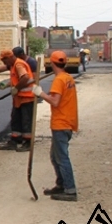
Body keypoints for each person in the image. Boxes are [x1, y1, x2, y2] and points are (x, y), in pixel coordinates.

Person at [32, 51, 78, 202]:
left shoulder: (59, 80)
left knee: (61, 157)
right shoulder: (68, 78)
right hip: (68, 121)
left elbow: (55, 101)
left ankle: (70, 190)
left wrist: (41, 93)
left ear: (52, 64)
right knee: (55, 156)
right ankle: (61, 184)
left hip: (61, 122)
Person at [0, 49, 36, 152]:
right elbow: (17, 79)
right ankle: (15, 140)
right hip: (19, 98)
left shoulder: (19, 65)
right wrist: (5, 85)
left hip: (26, 97)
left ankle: (28, 143)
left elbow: (25, 78)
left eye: (4, 60)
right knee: (15, 120)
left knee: (26, 121)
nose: (4, 63)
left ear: (9, 58)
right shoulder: (14, 65)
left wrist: (16, 88)